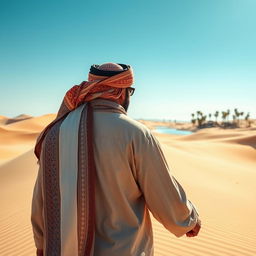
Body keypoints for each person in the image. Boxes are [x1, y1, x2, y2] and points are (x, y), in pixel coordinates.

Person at [31, 62, 201, 256]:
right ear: (121, 93)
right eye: (130, 92)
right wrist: (188, 220)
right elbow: (161, 190)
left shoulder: (56, 132)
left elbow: (41, 197)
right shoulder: (135, 133)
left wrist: (41, 242)